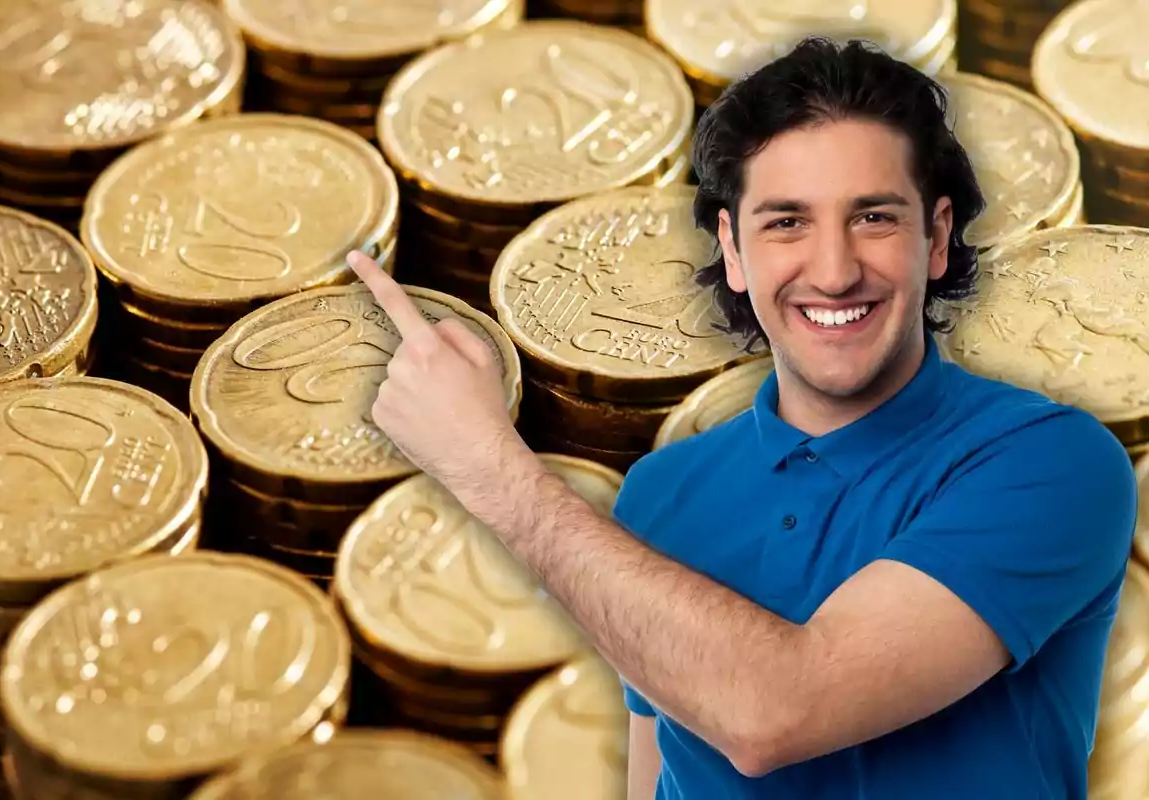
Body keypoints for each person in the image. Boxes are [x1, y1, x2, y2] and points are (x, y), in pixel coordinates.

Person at [346, 36, 1138, 799]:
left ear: (935, 238)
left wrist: (487, 463)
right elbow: (662, 779)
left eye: (874, 218)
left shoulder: (1054, 463)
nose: (832, 272)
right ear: (732, 249)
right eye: (786, 221)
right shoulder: (661, 490)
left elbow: (775, 712)